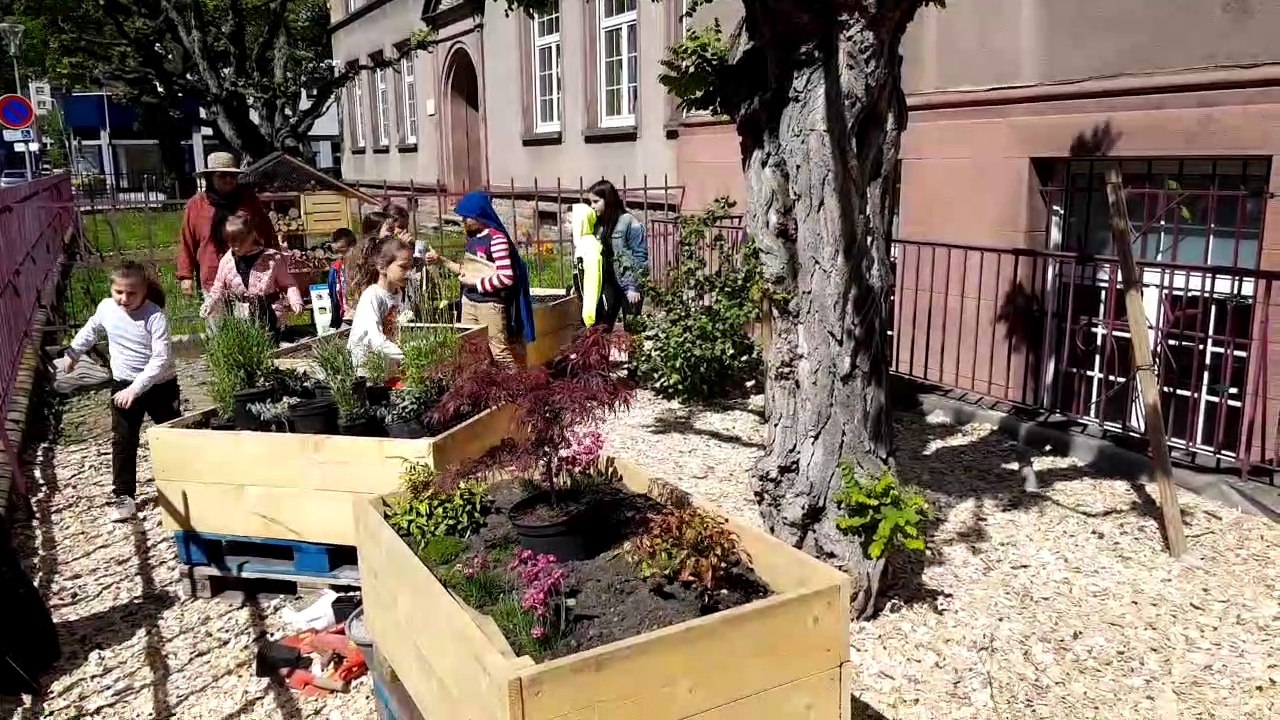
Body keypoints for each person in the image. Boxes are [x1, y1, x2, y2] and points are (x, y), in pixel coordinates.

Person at [60, 262, 179, 522]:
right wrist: (73, 352)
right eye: (119, 292)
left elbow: (160, 359)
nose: (124, 299)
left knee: (173, 435)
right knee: (124, 441)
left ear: (144, 290)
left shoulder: (154, 316)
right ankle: (124, 496)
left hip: (159, 384)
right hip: (123, 384)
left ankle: (184, 483)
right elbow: (91, 329)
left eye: (132, 293)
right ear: (111, 289)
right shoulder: (106, 308)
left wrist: (137, 388)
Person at [426, 191, 536, 367]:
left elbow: (506, 278)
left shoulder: (496, 239)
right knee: (471, 351)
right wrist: (441, 260)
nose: (463, 221)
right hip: (469, 302)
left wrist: (477, 284)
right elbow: (468, 272)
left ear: (478, 216)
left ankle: (517, 388)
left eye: (467, 217)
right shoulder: (472, 239)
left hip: (489, 305)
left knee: (499, 351)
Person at [176, 151, 276, 298]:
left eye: (233, 176)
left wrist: (275, 264)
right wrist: (186, 276)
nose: (229, 179)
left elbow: (267, 233)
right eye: (222, 175)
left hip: (250, 278)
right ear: (211, 177)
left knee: (250, 319)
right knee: (218, 319)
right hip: (212, 278)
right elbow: (187, 242)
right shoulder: (196, 205)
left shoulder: (249, 201)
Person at [199, 214, 305, 341]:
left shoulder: (272, 259)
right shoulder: (227, 261)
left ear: (251, 236)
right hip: (242, 316)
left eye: (239, 242)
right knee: (250, 347)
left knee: (271, 346)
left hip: (270, 314)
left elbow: (289, 284)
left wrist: (295, 301)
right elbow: (218, 287)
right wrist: (210, 303)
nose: (235, 247)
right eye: (231, 243)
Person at [587, 180, 650, 331]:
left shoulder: (628, 221)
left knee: (632, 328)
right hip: (607, 283)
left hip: (628, 283)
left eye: (596, 201)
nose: (592, 206)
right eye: (590, 202)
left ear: (608, 200)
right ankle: (600, 355)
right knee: (601, 327)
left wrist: (633, 286)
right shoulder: (598, 224)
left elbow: (640, 255)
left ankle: (635, 355)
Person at [348, 235, 415, 371]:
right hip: (367, 365)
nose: (409, 273)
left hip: (386, 360)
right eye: (403, 267)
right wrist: (408, 356)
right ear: (382, 267)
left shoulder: (398, 293)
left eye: (410, 267)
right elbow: (375, 338)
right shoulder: (372, 296)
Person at [328, 227, 356, 331]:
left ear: (352, 246)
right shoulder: (336, 268)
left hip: (359, 314)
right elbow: (333, 295)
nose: (340, 255)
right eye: (336, 252)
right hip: (344, 316)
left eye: (343, 251)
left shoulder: (361, 267)